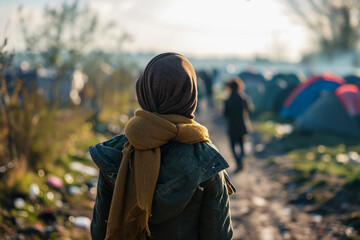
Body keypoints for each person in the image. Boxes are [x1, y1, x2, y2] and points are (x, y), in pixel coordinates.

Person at [89, 52, 235, 240]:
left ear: (144, 91)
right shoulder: (206, 159)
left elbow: (99, 231)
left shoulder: (117, 151)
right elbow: (219, 235)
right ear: (190, 95)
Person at [224, 77, 251, 173]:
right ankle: (241, 161)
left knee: (232, 147)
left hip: (232, 127)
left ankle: (238, 162)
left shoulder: (228, 100)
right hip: (242, 125)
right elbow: (248, 110)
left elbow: (225, 115)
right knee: (242, 145)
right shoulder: (243, 98)